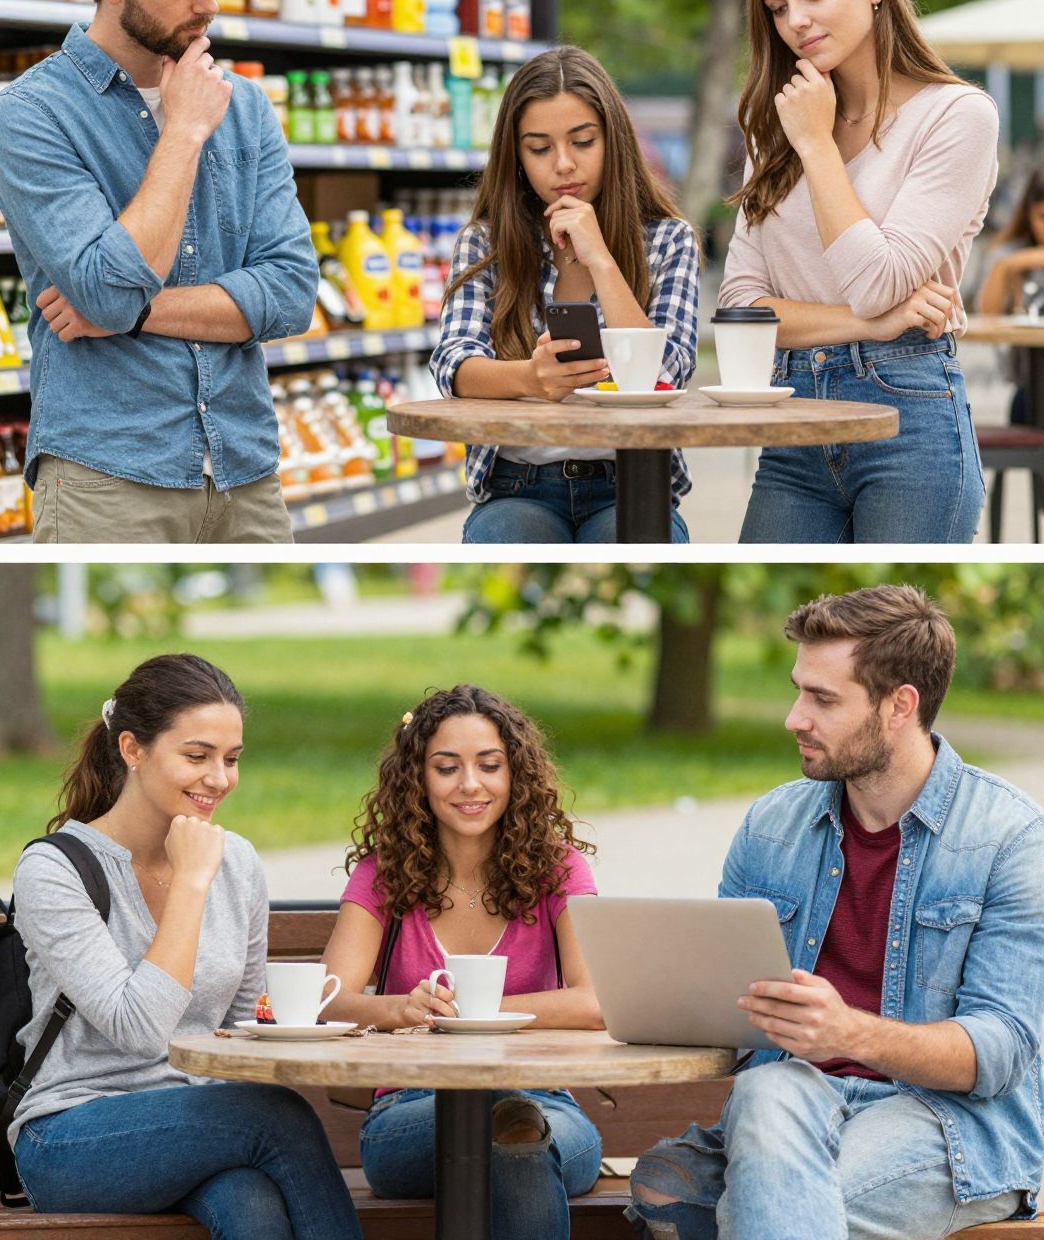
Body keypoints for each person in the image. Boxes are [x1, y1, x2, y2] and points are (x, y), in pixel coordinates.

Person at [629, 585, 1044, 1240]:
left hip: (943, 1121)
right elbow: (722, 1006)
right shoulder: (771, 825)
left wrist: (850, 1033)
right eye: (799, 690)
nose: (795, 717)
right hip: (790, 1103)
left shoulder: (1009, 836)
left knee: (770, 1205)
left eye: (822, 699)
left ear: (900, 706)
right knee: (755, 1110)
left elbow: (1000, 1049)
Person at [0, 0, 318, 543]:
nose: (210, 4)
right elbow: (106, 289)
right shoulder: (30, 115)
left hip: (244, 472)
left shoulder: (247, 107)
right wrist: (185, 130)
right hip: (106, 476)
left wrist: (135, 313)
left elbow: (290, 294)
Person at [9, 652, 363, 1240]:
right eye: (197, 756)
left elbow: (243, 1024)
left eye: (231, 759)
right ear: (132, 749)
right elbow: (139, 1028)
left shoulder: (239, 863)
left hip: (199, 1126)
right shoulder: (54, 869)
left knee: (250, 1204)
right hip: (71, 1135)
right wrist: (191, 884)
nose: (219, 779)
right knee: (279, 1118)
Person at [721, 0, 997, 542]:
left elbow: (878, 279)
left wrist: (817, 146)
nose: (797, 20)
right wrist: (867, 322)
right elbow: (740, 307)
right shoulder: (778, 122)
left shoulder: (957, 117)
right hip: (792, 417)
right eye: (778, 7)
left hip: (909, 411)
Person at [322, 685, 604, 1240]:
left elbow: (596, 1000)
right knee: (508, 1126)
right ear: (418, 779)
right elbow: (328, 998)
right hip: (411, 1110)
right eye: (447, 767)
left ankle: (510, 1119)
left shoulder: (558, 870)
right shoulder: (385, 873)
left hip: (545, 1101)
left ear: (515, 775)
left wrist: (470, 1013)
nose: (470, 785)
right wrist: (401, 1008)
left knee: (515, 1123)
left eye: (489, 766)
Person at [430, 45, 699, 543]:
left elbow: (665, 372)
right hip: (518, 484)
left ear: (613, 140)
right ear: (516, 157)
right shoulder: (485, 242)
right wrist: (531, 378)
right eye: (539, 148)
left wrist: (600, 258)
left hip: (631, 481)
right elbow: (453, 366)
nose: (563, 165)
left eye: (582, 142)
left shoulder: (667, 239)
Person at [976, 165, 1044, 423]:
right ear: (1027, 215)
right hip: (1030, 387)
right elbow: (986, 316)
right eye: (1042, 217)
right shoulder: (1009, 255)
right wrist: (1008, 267)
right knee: (1026, 402)